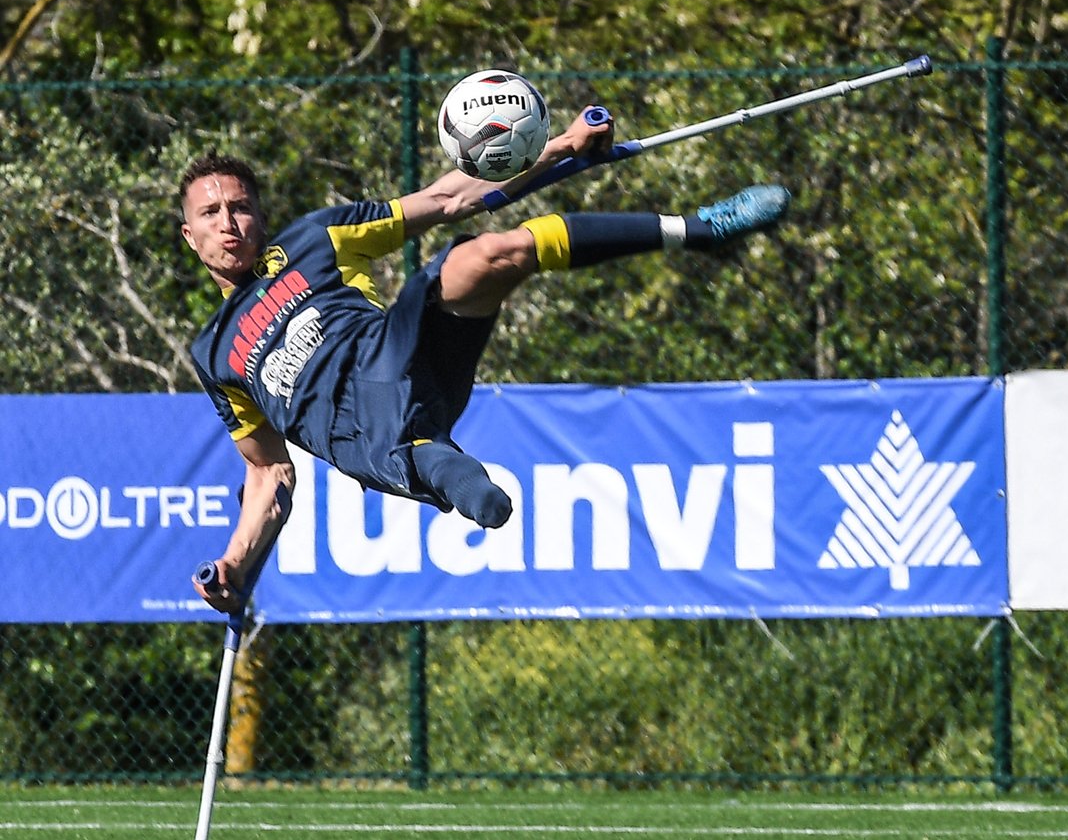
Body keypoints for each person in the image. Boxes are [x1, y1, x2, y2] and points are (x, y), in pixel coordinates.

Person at [183, 105, 790, 613]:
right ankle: (441, 468)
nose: (229, 222)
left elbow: (449, 200)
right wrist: (235, 564)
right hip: (360, 434)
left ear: (260, 213)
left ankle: (700, 230)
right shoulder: (212, 352)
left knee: (486, 254)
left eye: (239, 207)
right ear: (191, 236)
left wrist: (563, 147)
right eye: (210, 214)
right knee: (402, 453)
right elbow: (268, 474)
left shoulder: (315, 239)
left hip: (393, 355)